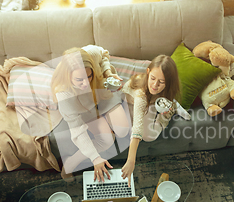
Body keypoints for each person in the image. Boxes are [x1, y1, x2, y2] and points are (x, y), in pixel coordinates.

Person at [51, 46, 130, 182]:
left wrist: (107, 73)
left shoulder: (91, 53)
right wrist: (95, 158)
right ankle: (70, 164)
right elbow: (77, 130)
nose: (86, 83)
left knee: (123, 131)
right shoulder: (63, 93)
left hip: (102, 92)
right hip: (83, 106)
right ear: (68, 77)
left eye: (89, 76)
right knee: (106, 141)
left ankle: (107, 121)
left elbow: (104, 54)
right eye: (79, 80)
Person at [121, 55, 181, 186]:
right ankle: (162, 110)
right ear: (148, 72)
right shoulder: (140, 93)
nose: (155, 85)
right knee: (147, 135)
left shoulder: (166, 91)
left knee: (150, 135)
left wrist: (164, 114)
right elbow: (137, 127)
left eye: (162, 82)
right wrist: (131, 160)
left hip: (150, 104)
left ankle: (165, 112)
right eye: (152, 78)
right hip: (132, 105)